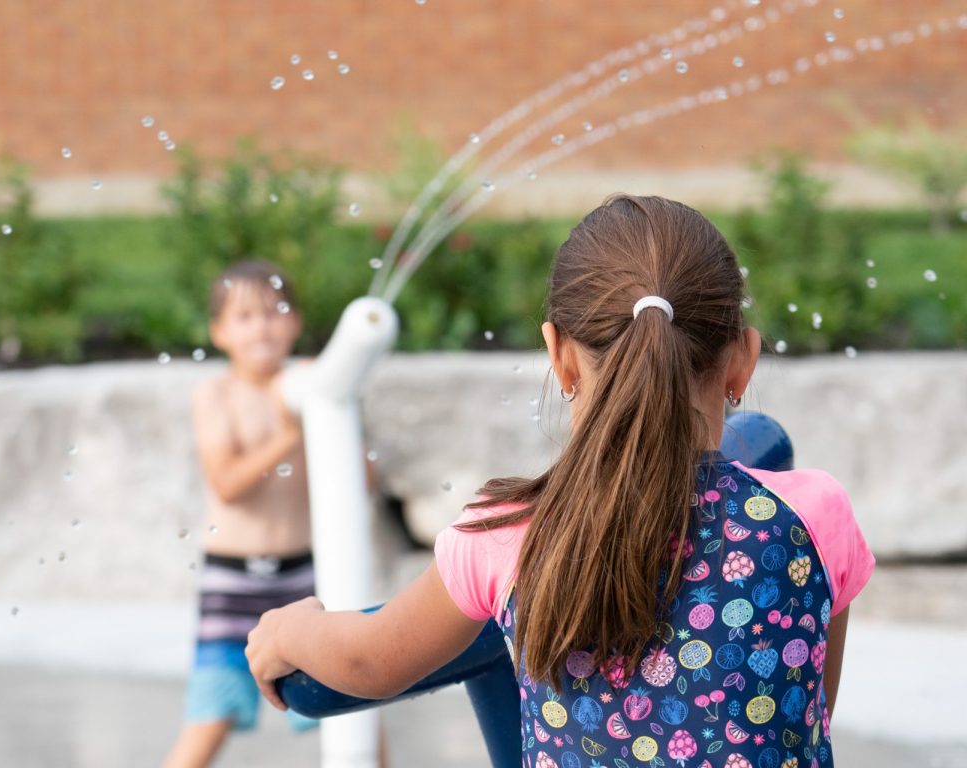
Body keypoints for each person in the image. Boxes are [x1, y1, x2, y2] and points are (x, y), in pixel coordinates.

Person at [245, 195, 876, 766]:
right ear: (742, 360)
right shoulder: (814, 518)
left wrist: (289, 631)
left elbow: (368, 659)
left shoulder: (506, 536)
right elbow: (810, 709)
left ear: (560, 357)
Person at [164, 260, 317, 768]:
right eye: (246, 315)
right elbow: (227, 484)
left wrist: (332, 410)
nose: (263, 325)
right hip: (232, 582)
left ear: (295, 321)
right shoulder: (217, 395)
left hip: (304, 577)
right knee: (210, 717)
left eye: (275, 311)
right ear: (220, 331)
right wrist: (289, 434)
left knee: (353, 711)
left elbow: (362, 482)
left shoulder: (311, 388)